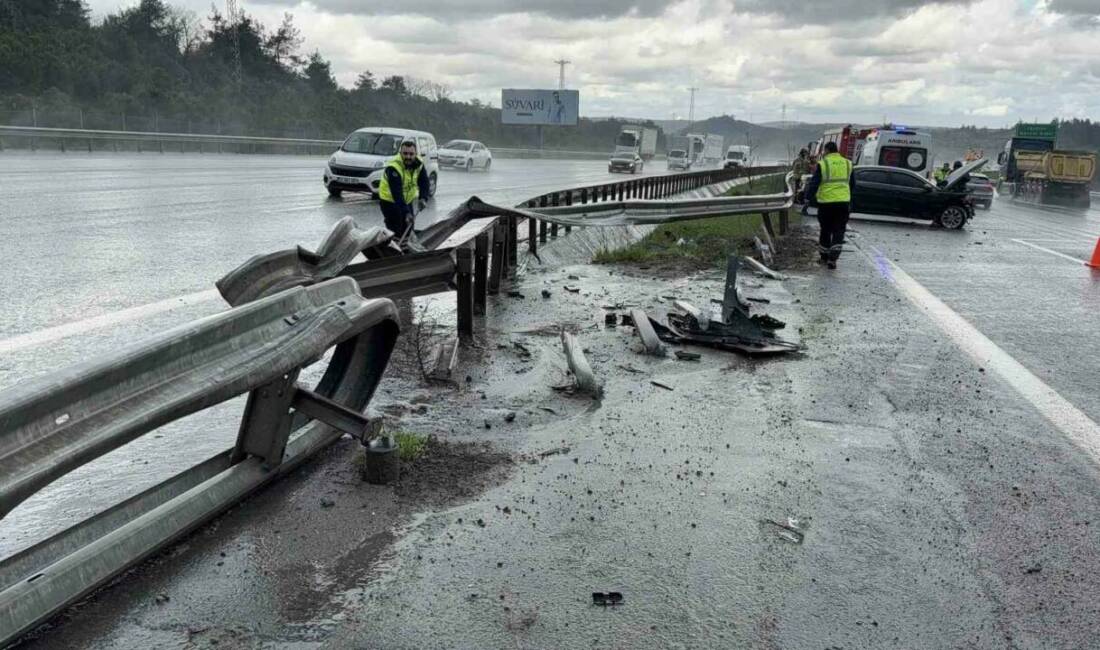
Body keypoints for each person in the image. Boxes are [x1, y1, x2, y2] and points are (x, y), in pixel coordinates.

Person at [808, 141, 852, 269]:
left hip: (826, 203)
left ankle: (824, 256)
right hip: (843, 202)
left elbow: (814, 183)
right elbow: (852, 184)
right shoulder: (848, 163)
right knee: (839, 229)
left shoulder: (823, 164)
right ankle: (833, 257)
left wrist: (808, 198)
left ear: (827, 150)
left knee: (826, 229)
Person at [378, 139, 432, 243]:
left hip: (407, 200)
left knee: (409, 226)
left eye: (411, 154)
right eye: (405, 154)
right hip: (389, 201)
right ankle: (393, 253)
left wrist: (423, 198)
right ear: (400, 153)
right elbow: (397, 194)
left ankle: (406, 250)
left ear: (416, 154)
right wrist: (406, 212)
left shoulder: (419, 164)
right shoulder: (393, 168)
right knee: (396, 229)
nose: (408, 157)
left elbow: (424, 182)